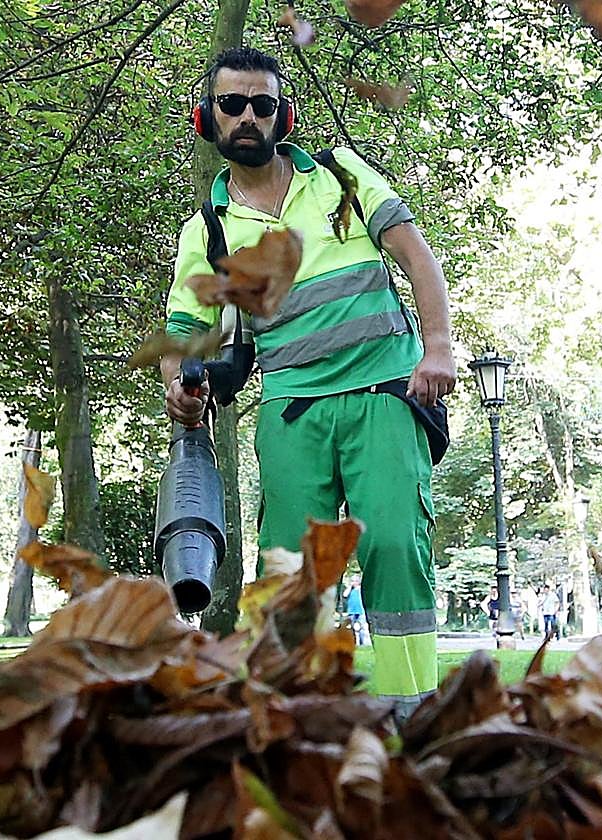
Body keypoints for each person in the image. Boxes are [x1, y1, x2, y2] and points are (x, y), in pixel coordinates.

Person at [163, 47, 456, 720]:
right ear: (207, 117)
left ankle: (413, 709)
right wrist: (178, 387)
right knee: (288, 573)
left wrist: (436, 348)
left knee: (390, 540)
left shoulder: (339, 174)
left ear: (282, 116)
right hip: (292, 407)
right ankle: (296, 715)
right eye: (232, 103)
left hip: (385, 391)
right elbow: (185, 335)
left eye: (262, 104)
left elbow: (417, 257)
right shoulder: (207, 231)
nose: (247, 116)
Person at [344, 574, 370, 645]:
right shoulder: (350, 590)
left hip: (360, 610)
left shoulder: (361, 589)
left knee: (362, 627)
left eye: (356, 580)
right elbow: (345, 595)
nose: (354, 582)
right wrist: (349, 587)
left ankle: (365, 643)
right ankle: (356, 643)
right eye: (352, 581)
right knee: (353, 628)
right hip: (352, 611)